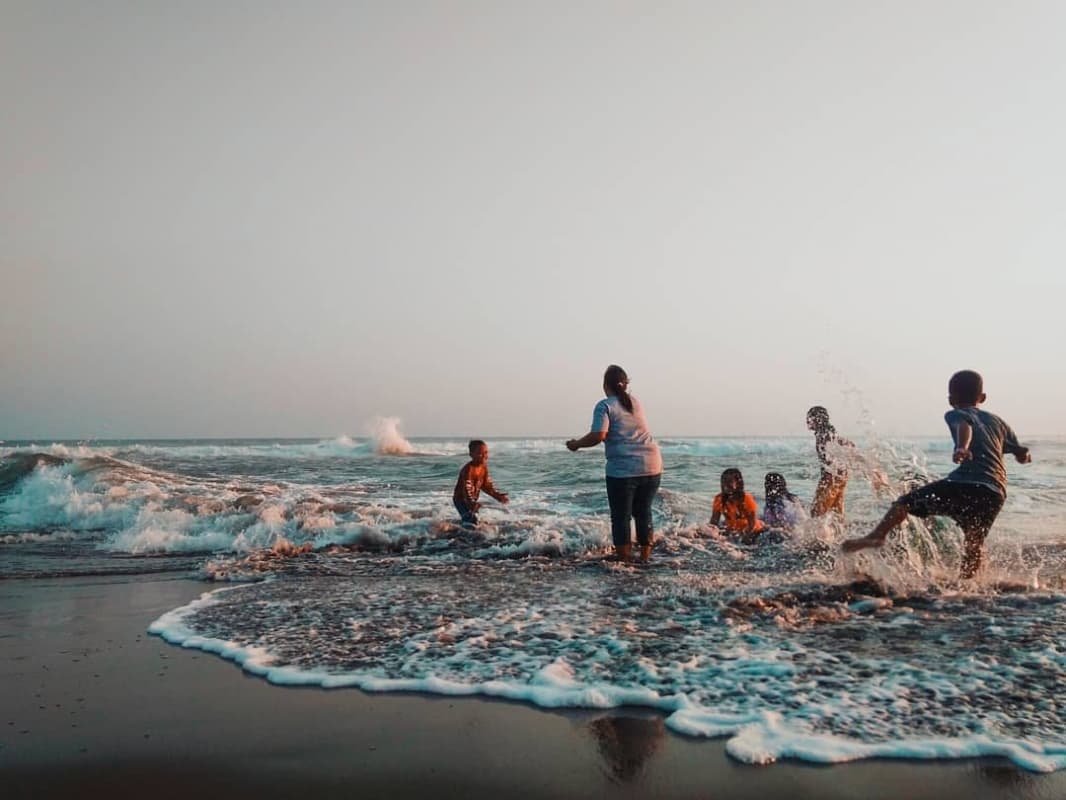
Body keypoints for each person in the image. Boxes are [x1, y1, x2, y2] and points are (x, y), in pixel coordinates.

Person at [842, 370, 1031, 578]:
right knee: (974, 543)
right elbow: (1019, 450)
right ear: (983, 397)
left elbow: (964, 426)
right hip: (995, 492)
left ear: (951, 399)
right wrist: (1023, 456)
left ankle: (877, 537)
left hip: (967, 482)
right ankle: (966, 586)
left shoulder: (955, 414)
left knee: (903, 503)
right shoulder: (998, 422)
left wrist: (961, 447)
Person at [566, 365, 663, 563]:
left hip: (624, 469)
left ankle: (624, 561)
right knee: (643, 512)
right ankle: (645, 558)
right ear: (625, 385)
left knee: (621, 517)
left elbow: (598, 435)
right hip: (652, 465)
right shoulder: (635, 402)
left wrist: (576, 444)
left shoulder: (605, 405)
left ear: (605, 385)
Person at [807, 406, 853, 518]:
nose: (807, 421)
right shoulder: (827, 431)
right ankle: (841, 534)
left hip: (831, 476)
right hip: (839, 474)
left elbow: (841, 444)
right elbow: (847, 444)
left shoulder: (824, 434)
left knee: (816, 512)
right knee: (836, 511)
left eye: (810, 418)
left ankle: (817, 535)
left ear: (818, 419)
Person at [453, 440, 509, 526]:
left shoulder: (483, 468)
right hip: (461, 500)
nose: (484, 456)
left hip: (472, 499)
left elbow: (486, 486)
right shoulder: (468, 470)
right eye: (480, 453)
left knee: (476, 520)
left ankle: (457, 526)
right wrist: (471, 503)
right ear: (471, 454)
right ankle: (458, 534)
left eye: (486, 453)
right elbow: (466, 489)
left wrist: (497, 496)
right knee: (470, 521)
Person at [710, 468, 766, 542]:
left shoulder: (747, 499)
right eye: (723, 481)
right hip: (734, 532)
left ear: (738, 483)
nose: (725, 485)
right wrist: (711, 534)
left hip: (755, 532)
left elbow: (752, 524)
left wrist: (744, 537)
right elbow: (714, 522)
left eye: (729, 482)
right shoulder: (719, 499)